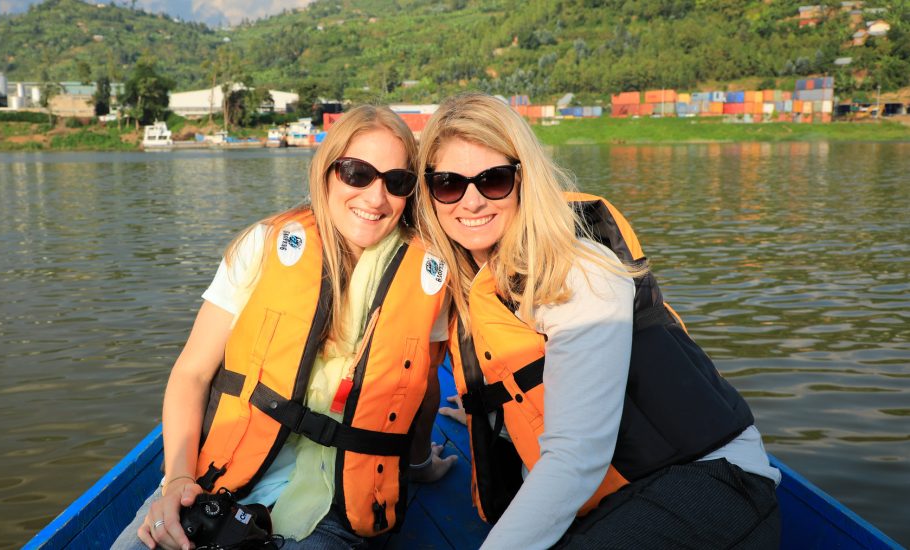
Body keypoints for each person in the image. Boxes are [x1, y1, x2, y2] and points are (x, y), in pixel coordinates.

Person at [413, 93, 781, 549]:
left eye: (493, 180)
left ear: (525, 181)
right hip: (615, 501)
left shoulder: (578, 271)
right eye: (449, 183)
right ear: (427, 192)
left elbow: (576, 455)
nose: (470, 201)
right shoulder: (472, 282)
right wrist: (490, 414)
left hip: (709, 484)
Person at [112, 104, 456, 550]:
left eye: (396, 182)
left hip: (338, 505)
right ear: (327, 172)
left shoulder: (427, 277)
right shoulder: (265, 245)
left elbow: (422, 392)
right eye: (356, 173)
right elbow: (192, 373)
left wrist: (417, 466)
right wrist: (178, 477)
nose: (375, 198)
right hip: (220, 479)